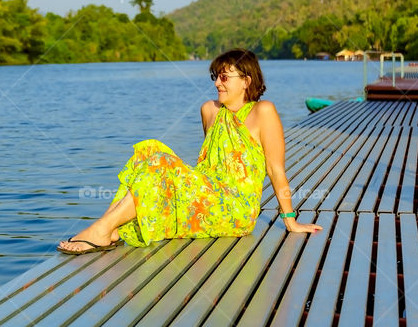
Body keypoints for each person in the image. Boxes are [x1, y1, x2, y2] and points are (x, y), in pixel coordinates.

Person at [57, 49, 322, 254]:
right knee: (149, 154)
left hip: (234, 209)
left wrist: (290, 220)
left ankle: (102, 229)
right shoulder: (209, 111)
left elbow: (276, 169)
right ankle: (107, 229)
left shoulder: (263, 112)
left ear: (246, 81)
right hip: (204, 194)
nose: (218, 82)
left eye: (224, 77)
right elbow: (210, 165)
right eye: (216, 76)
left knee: (159, 161)